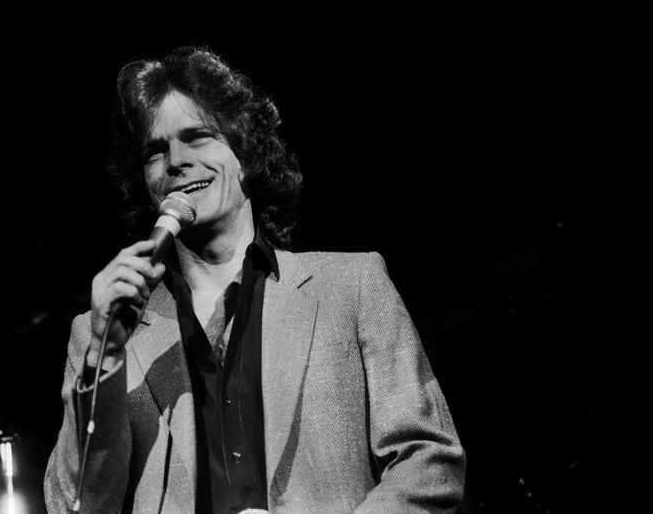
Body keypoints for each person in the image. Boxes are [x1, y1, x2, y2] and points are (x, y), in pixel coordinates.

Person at [45, 46, 465, 513]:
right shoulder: (98, 334)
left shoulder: (351, 286)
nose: (176, 161)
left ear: (245, 153)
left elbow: (429, 462)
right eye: (155, 152)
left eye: (198, 137)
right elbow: (75, 505)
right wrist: (104, 356)